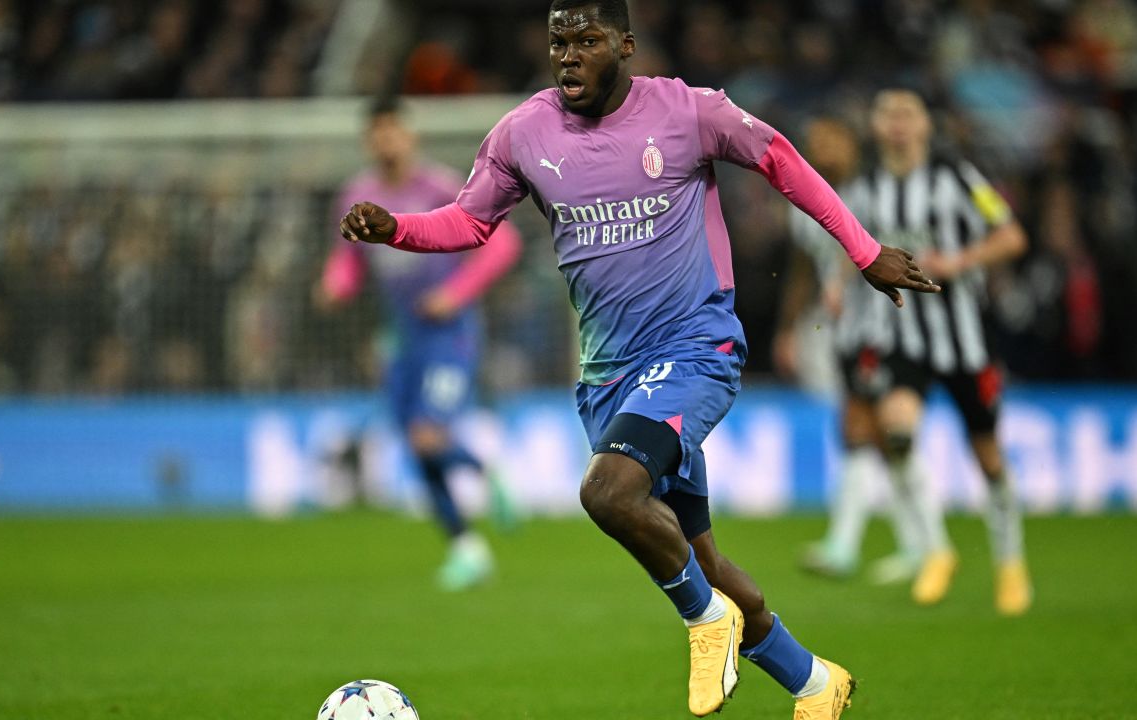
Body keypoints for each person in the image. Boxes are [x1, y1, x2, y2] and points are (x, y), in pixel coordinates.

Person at [338, 2, 939, 716]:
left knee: (608, 493)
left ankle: (706, 621)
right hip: (608, 377)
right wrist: (396, 228)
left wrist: (864, 251)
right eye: (559, 41)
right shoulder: (523, 133)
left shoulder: (688, 112)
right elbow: (470, 220)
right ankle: (813, 683)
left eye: (587, 41)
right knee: (701, 559)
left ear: (624, 46)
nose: (568, 56)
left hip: (694, 349)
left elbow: (779, 158)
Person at [820, 88, 1033, 616]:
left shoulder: (959, 179)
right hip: (901, 337)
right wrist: (839, 285)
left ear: (924, 125)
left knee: (987, 456)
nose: (896, 124)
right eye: (886, 113)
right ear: (874, 124)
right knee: (895, 432)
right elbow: (855, 245)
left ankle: (1010, 563)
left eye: (906, 114)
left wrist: (959, 262)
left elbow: (1011, 237)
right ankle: (938, 549)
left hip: (964, 341)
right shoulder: (865, 188)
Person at [317, 97, 523, 592]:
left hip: (448, 337)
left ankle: (481, 468)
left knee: (427, 436)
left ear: (410, 135)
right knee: (417, 451)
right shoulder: (356, 194)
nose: (386, 140)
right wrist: (334, 285)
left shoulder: (441, 187)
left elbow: (504, 245)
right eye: (377, 132)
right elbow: (350, 261)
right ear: (370, 140)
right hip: (402, 338)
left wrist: (454, 295)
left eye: (394, 130)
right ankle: (466, 549)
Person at [779, 118, 925, 585]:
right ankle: (918, 546)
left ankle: (848, 544)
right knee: (877, 438)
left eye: (832, 138)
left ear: (851, 142)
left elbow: (887, 250)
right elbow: (803, 267)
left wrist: (844, 281)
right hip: (842, 334)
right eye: (816, 139)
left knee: (862, 429)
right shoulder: (799, 202)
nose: (824, 147)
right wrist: (787, 327)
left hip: (881, 327)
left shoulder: (871, 193)